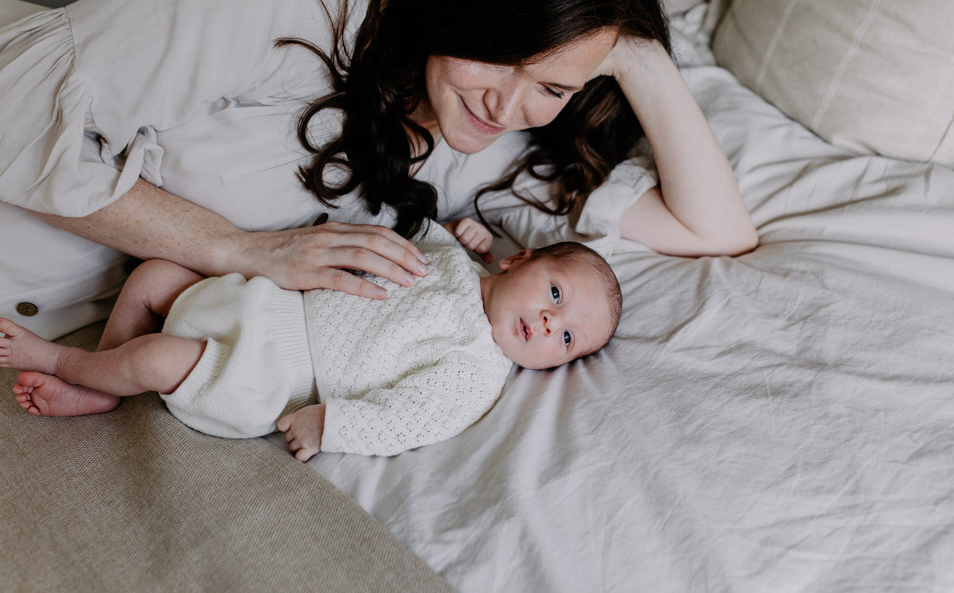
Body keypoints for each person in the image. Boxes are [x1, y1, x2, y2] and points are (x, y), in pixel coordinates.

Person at [0, 0, 756, 340]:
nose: (508, 103)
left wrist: (635, 51)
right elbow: (16, 119)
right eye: (502, 54)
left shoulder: (485, 150)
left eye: (553, 86)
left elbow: (714, 227)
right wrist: (236, 249)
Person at [1, 219, 622, 460]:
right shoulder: (460, 263)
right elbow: (400, 235)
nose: (547, 324)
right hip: (267, 305)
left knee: (158, 358)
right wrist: (467, 236)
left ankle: (68, 364)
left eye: (566, 338)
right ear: (521, 262)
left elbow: (412, 418)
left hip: (278, 377)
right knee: (153, 277)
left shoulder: (477, 369)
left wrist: (334, 424)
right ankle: (107, 378)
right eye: (556, 295)